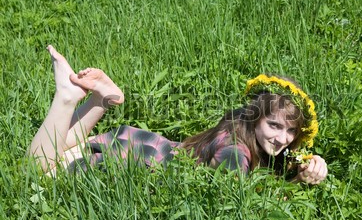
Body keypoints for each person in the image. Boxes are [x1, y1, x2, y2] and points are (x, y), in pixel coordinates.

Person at [28, 45, 328, 184]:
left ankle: (102, 100)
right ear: (255, 118)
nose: (282, 138)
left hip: (149, 146)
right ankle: (66, 99)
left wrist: (308, 166)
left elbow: (281, 163)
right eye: (274, 125)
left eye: (291, 131)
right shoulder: (235, 150)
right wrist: (296, 185)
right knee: (33, 169)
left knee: (55, 151)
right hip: (138, 164)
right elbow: (240, 201)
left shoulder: (243, 129)